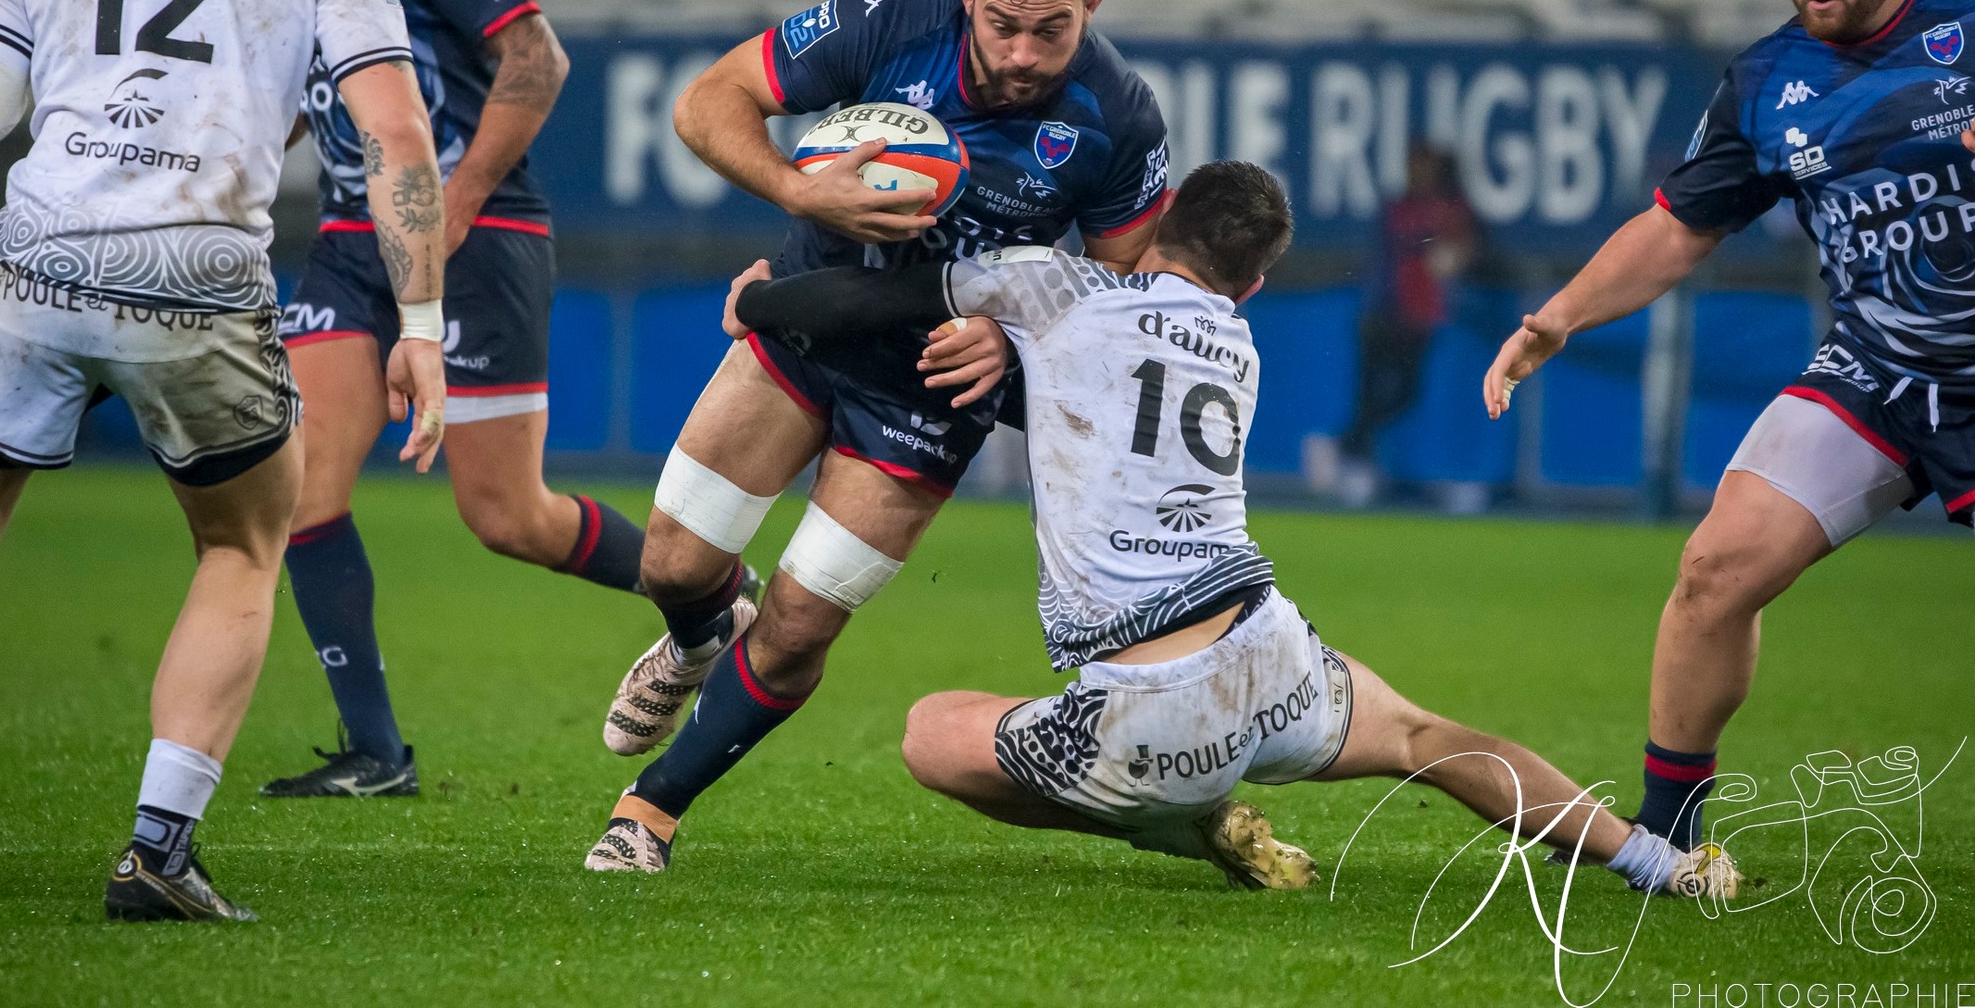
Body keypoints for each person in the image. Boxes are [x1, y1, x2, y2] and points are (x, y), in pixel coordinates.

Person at [719, 161, 1736, 898]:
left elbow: (874, 296)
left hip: (1145, 698)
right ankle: (1655, 860)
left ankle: (1171, 818)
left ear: (1156, 220)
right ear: (1250, 284)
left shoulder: (1053, 287)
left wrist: (761, 303)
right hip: (1267, 648)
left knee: (929, 733)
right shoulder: (1236, 349)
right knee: (1431, 738)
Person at [0, 0, 445, 920]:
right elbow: (398, 140)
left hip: (38, 255)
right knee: (239, 543)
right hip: (197, 274)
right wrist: (418, 329)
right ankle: (158, 851)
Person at [586, 0, 1172, 873]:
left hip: (931, 390)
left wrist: (1014, 344)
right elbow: (706, 101)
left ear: (1091, 4)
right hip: (810, 322)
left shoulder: (1117, 116)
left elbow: (1119, 292)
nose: (1025, 53)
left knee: (802, 622)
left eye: (1052, 29)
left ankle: (648, 810)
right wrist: (795, 188)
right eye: (1002, 24)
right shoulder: (890, 21)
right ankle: (700, 629)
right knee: (675, 566)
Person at [1483, 0, 1975, 852]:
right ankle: (1666, 839)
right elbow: (1674, 227)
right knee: (1713, 569)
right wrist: (1559, 316)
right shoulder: (1766, 80)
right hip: (1876, 371)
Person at [259, 0, 657, 798]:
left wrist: (456, 202)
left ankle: (709, 595)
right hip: (350, 234)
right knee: (299, 485)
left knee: (504, 516)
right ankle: (377, 751)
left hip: (477, 230)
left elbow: (537, 58)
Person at [1318, 142, 1477, 507]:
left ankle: (1343, 449)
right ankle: (1354, 464)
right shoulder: (1399, 208)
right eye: (1411, 165)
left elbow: (1463, 246)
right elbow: (1390, 260)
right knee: (1367, 397)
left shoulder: (1449, 207)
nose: (1415, 173)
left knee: (1405, 395)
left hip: (1418, 321)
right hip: (1383, 316)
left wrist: (1455, 254)